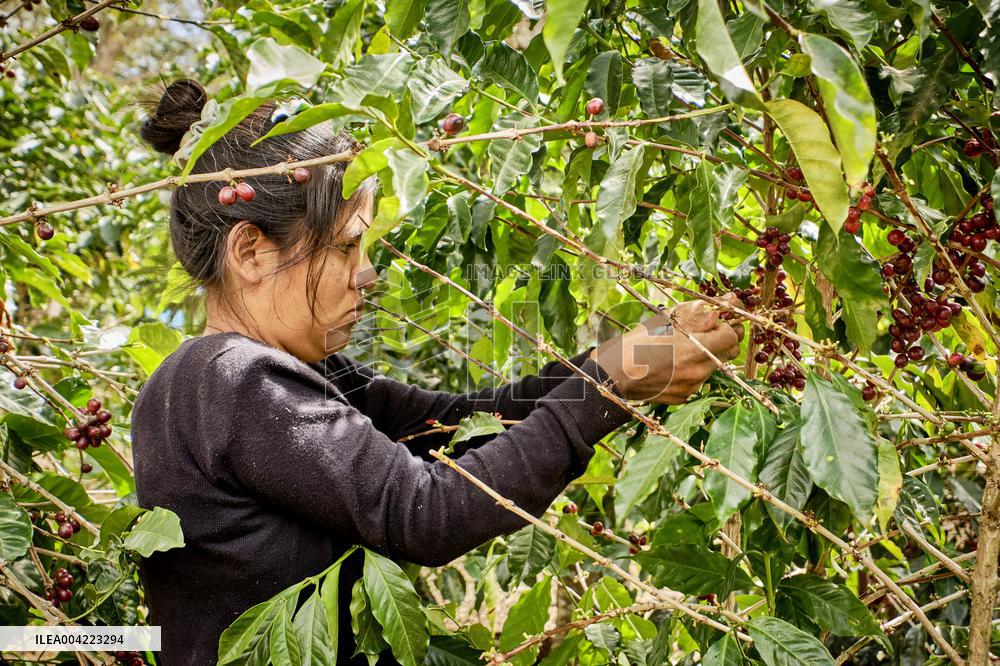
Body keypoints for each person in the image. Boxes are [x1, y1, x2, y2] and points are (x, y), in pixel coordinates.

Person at [130, 79, 745, 665]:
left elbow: (456, 423)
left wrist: (632, 354)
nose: (366, 274)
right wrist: (612, 384)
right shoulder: (235, 380)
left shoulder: (263, 375)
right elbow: (426, 513)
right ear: (251, 251)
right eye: (345, 247)